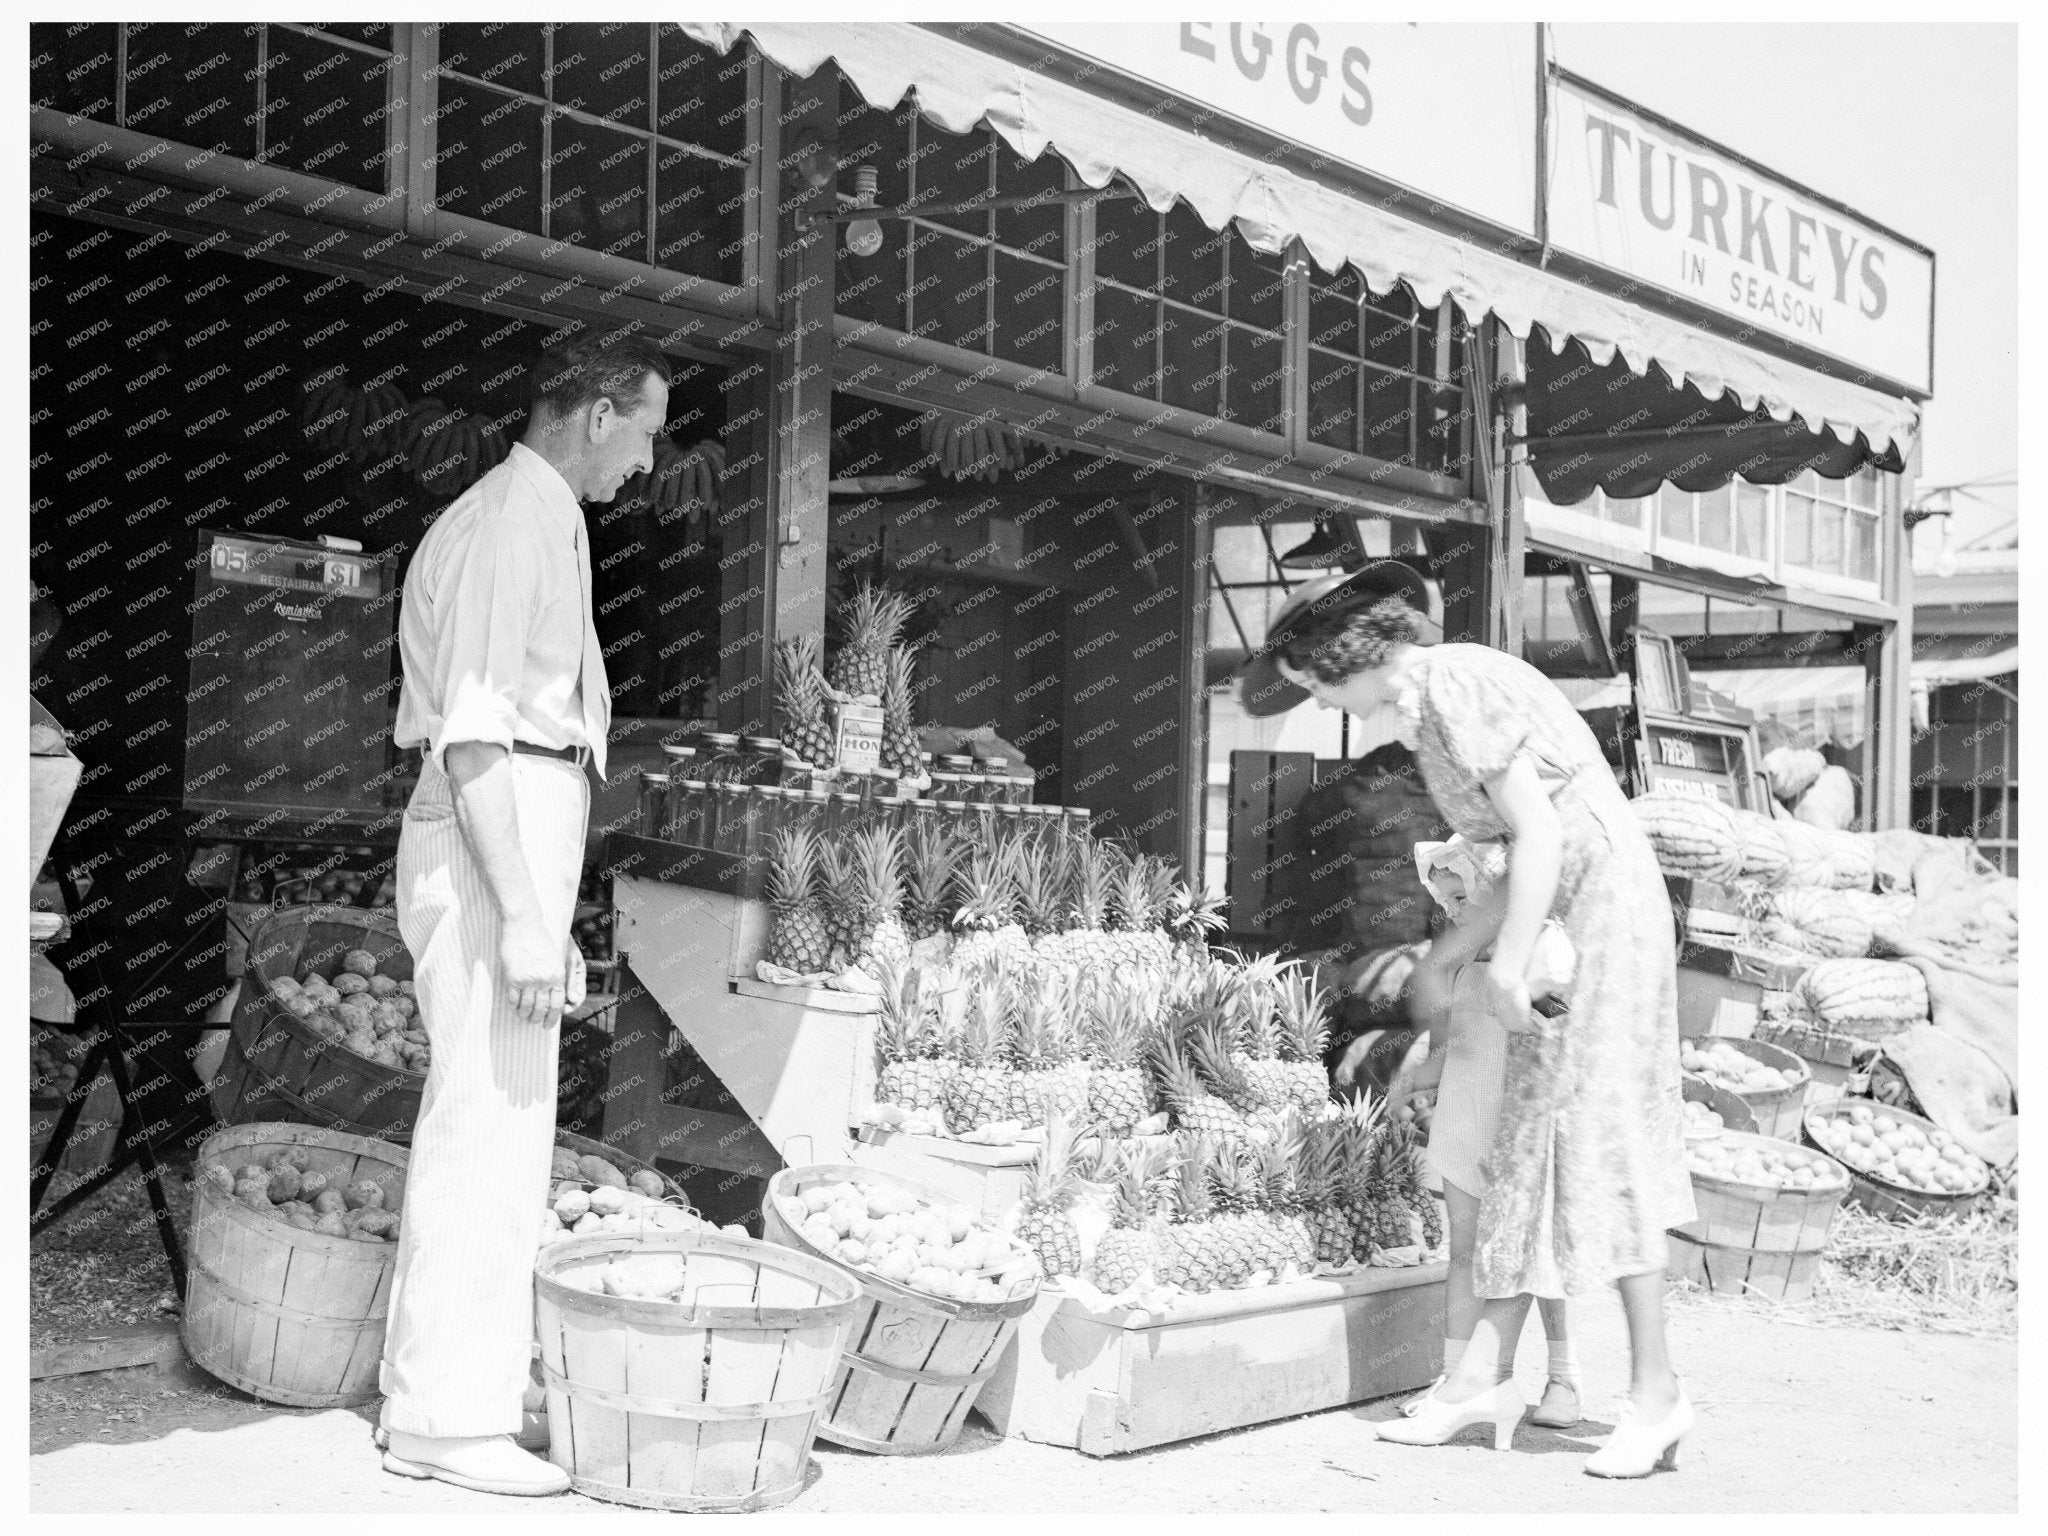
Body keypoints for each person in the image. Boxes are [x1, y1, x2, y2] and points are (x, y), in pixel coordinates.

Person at [1239, 562, 1695, 1478]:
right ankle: (1484, 1378)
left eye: (1312, 685)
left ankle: (1657, 1397)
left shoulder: (1452, 683)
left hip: (1598, 908)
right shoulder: (1438, 700)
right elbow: (1511, 853)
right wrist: (1459, 956)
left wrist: (1513, 962)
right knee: (1528, 1143)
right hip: (1571, 907)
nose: (1327, 704)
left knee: (1600, 1139)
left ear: (1340, 659)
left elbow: (1544, 834)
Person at [378, 332, 670, 1496]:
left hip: (511, 829)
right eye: (644, 431)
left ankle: (452, 1400)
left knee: (497, 1126)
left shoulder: (535, 517)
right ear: (598, 413)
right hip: (494, 829)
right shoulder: (509, 522)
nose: (647, 463)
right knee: (487, 1130)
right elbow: (478, 736)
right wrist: (527, 918)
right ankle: (447, 1421)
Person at [1396, 836, 1581, 1430]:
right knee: (1465, 1251)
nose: (1452, 911)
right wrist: (1416, 1078)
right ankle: (1455, 1378)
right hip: (1466, 1112)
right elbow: (1447, 1041)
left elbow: (1560, 1032)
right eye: (1444, 899)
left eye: (1461, 897)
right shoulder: (1456, 955)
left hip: (1523, 1114)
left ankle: (1565, 1378)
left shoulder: (1544, 946)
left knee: (1539, 1253)